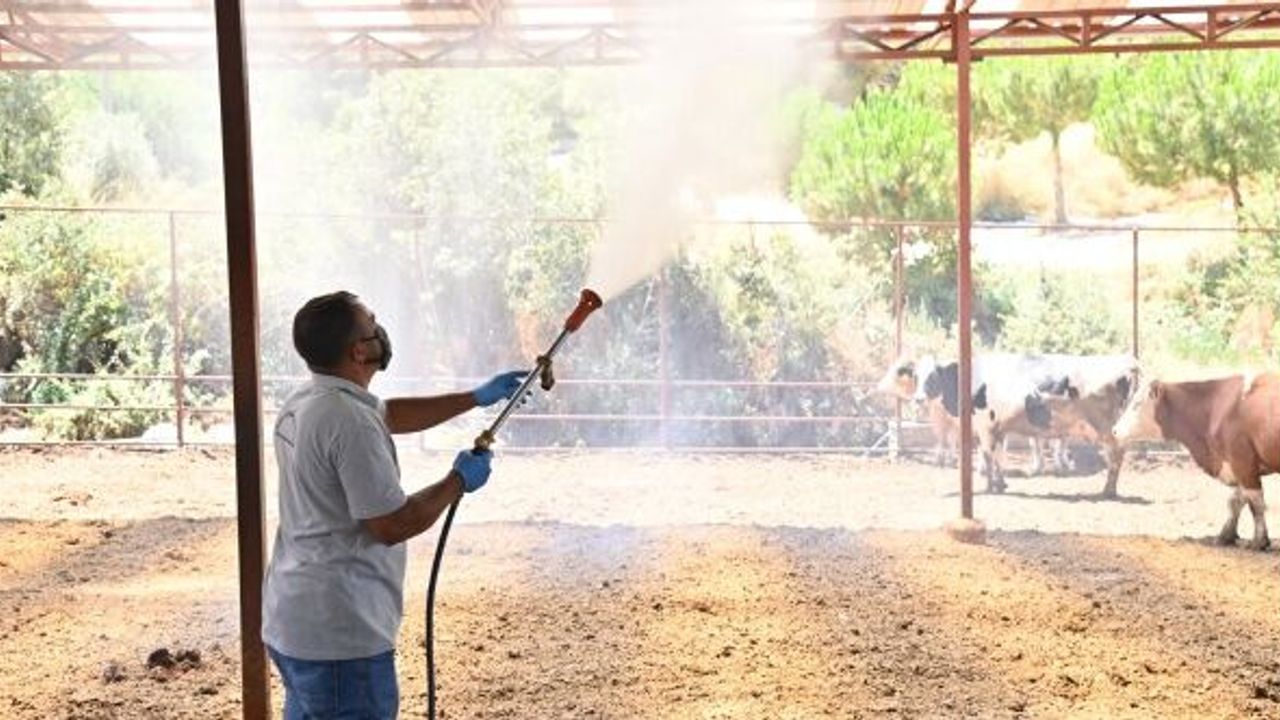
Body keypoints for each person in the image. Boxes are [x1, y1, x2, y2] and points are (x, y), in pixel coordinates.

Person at [263, 290, 526, 719]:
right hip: (341, 637)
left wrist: (476, 397)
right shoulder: (349, 421)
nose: (380, 333)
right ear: (358, 350)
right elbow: (390, 525)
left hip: (293, 622)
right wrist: (458, 480)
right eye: (372, 326)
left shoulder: (309, 401)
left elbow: (388, 415)